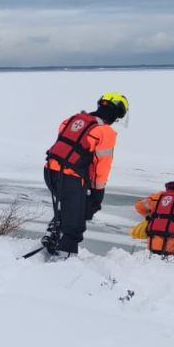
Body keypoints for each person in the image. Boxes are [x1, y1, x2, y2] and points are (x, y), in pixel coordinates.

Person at [42, 92, 128, 256]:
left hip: (50, 172)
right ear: (116, 112)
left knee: (74, 208)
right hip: (69, 179)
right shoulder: (105, 132)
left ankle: (55, 230)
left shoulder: (73, 120)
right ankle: (64, 259)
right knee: (79, 219)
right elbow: (101, 166)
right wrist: (98, 191)